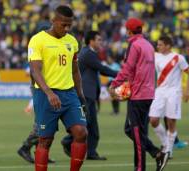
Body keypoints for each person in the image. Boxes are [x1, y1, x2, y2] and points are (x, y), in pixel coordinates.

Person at [28, 5, 88, 171]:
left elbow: (75, 71)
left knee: (81, 133)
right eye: (63, 24)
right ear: (53, 21)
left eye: (70, 25)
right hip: (45, 95)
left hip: (69, 94)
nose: (67, 28)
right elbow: (35, 70)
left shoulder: (72, 41)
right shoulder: (38, 40)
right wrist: (49, 93)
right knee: (45, 140)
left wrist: (81, 96)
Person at [109, 18, 169, 171]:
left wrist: (114, 84)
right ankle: (156, 154)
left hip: (138, 95)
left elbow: (127, 68)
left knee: (135, 133)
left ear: (129, 31)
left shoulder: (134, 44)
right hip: (148, 94)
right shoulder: (149, 45)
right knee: (133, 130)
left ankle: (146, 163)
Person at [61, 31, 117, 160]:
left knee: (90, 124)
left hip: (87, 93)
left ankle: (90, 151)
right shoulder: (88, 54)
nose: (101, 42)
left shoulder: (87, 53)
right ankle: (69, 141)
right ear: (91, 41)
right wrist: (121, 75)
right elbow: (103, 70)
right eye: (98, 40)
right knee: (88, 123)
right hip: (86, 94)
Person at [149, 35, 189, 158]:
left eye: (160, 44)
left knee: (171, 122)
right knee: (153, 120)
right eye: (157, 44)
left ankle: (168, 151)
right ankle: (165, 144)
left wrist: (187, 91)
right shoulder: (155, 56)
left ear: (168, 46)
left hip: (174, 92)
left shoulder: (178, 57)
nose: (157, 46)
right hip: (160, 91)